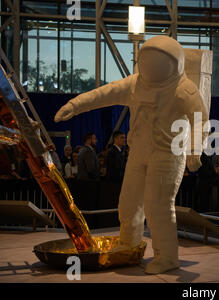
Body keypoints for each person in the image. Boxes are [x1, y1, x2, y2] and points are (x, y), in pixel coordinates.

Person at [54, 36, 207, 274]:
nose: (150, 66)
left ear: (173, 63)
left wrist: (195, 149)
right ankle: (129, 244)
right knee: (128, 203)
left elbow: (200, 120)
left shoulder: (183, 89)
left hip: (168, 153)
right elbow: (103, 94)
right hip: (138, 152)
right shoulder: (136, 83)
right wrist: (75, 105)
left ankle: (167, 256)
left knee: (158, 206)